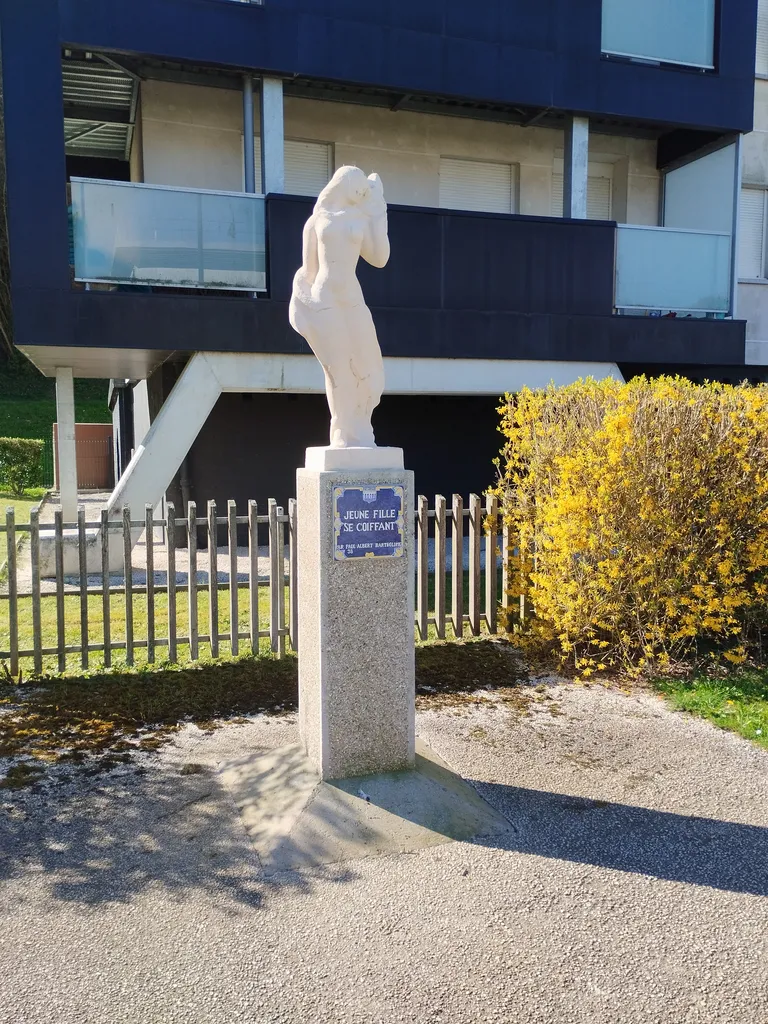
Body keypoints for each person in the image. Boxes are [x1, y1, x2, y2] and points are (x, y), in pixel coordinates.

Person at [289, 165, 390, 448]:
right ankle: (342, 431)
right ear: (343, 182)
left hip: (352, 300)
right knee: (338, 370)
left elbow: (380, 257)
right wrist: (302, 301)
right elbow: (308, 270)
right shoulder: (316, 221)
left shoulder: (361, 217)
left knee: (369, 366)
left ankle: (361, 425)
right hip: (325, 301)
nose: (361, 190)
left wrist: (379, 210)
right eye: (357, 184)